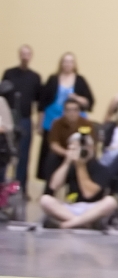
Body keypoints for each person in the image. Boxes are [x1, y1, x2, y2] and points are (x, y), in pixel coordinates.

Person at [40, 131, 117, 229]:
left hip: (93, 209)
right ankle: (84, 223)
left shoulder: (101, 169)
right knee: (45, 199)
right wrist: (67, 162)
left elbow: (88, 194)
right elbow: (53, 186)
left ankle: (66, 224)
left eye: (84, 148)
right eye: (76, 148)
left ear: (92, 148)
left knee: (110, 201)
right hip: (71, 208)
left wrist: (81, 166)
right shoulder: (70, 167)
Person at [37, 52, 94, 181]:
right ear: (61, 63)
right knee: (49, 154)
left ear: (74, 64)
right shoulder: (53, 79)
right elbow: (42, 103)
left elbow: (89, 101)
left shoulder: (80, 80)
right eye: (65, 61)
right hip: (51, 121)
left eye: (70, 61)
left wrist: (76, 98)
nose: (68, 64)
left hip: (73, 125)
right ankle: (49, 183)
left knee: (75, 152)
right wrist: (40, 124)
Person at [1, 45, 42, 195]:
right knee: (4, 153)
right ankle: (2, 187)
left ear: (31, 56)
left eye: (28, 54)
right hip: (8, 120)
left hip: (25, 119)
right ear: (19, 55)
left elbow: (39, 103)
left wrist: (39, 123)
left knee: (23, 155)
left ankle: (20, 188)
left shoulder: (35, 77)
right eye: (23, 53)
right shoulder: (9, 73)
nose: (25, 56)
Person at [44, 98, 97, 193]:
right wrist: (67, 153)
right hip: (63, 154)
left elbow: (91, 145)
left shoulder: (87, 124)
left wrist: (80, 155)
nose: (72, 113)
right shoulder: (57, 123)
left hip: (81, 155)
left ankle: (78, 195)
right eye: (68, 110)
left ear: (79, 111)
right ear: (64, 112)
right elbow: (54, 144)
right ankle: (49, 192)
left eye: (75, 110)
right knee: (51, 158)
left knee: (91, 162)